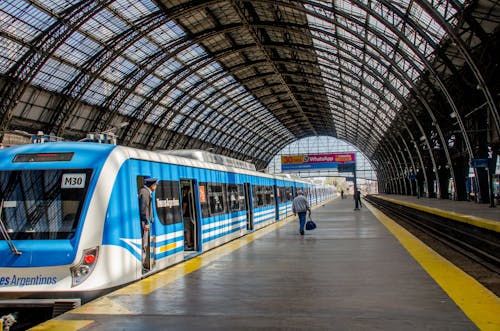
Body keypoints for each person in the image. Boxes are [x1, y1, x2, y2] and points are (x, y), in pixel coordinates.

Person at [138, 177, 157, 271]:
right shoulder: (145, 193)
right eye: (155, 185)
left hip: (145, 222)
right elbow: (144, 208)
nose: (156, 186)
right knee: (144, 244)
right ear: (152, 185)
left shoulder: (145, 191)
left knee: (144, 244)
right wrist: (146, 222)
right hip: (144, 223)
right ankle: (141, 266)